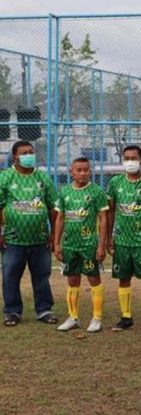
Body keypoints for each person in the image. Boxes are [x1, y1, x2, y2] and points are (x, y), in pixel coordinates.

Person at [0, 140, 58, 326]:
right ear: (15, 156)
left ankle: (44, 310)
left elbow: (53, 208)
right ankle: (12, 312)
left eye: (31, 152)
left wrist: (53, 234)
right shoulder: (5, 177)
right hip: (12, 239)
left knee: (41, 276)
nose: (29, 155)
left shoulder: (43, 178)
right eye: (24, 153)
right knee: (10, 276)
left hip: (40, 239)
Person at [106, 145, 141, 332]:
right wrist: (109, 238)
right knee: (123, 278)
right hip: (121, 241)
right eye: (126, 158)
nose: (130, 161)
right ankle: (126, 316)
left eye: (134, 158)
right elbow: (111, 210)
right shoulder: (115, 183)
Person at [54, 157, 109, 332]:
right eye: (79, 170)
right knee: (72, 279)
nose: (83, 173)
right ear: (72, 171)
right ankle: (73, 317)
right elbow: (60, 218)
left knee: (93, 278)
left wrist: (101, 245)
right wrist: (56, 243)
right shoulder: (64, 193)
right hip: (70, 245)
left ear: (90, 171)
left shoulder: (96, 192)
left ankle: (97, 318)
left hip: (89, 245)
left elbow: (103, 218)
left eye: (86, 169)